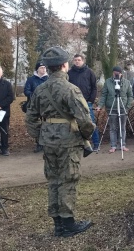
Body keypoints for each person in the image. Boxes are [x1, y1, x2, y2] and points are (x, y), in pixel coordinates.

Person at [25, 46, 95, 237]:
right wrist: (86, 137)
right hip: (68, 142)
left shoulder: (39, 90)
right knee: (68, 180)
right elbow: (86, 121)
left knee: (53, 180)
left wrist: (41, 136)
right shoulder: (71, 89)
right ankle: (69, 225)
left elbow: (30, 118)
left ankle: (58, 225)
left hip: (48, 142)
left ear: (47, 68)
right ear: (65, 65)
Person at [96, 66, 134, 153]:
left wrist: (127, 107)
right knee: (113, 128)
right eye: (115, 73)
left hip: (123, 108)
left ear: (121, 73)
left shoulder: (126, 82)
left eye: (118, 73)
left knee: (122, 127)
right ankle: (113, 146)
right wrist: (100, 105)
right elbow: (104, 95)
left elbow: (130, 96)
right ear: (113, 73)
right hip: (111, 108)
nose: (116, 74)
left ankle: (122, 145)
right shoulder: (108, 82)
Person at [68, 54, 100, 150]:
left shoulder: (89, 72)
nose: (77, 61)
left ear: (83, 61)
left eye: (79, 60)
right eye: (75, 60)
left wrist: (90, 100)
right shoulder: (70, 73)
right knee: (75, 124)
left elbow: (94, 87)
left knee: (90, 123)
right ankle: (80, 144)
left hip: (87, 102)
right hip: (73, 102)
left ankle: (96, 143)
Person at [24, 61, 49, 153]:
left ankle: (46, 142)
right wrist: (35, 97)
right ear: (37, 69)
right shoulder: (31, 80)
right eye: (41, 67)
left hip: (46, 105)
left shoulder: (48, 79)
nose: (43, 69)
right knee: (35, 125)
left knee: (46, 124)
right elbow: (26, 91)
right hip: (34, 105)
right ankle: (39, 143)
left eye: (44, 68)